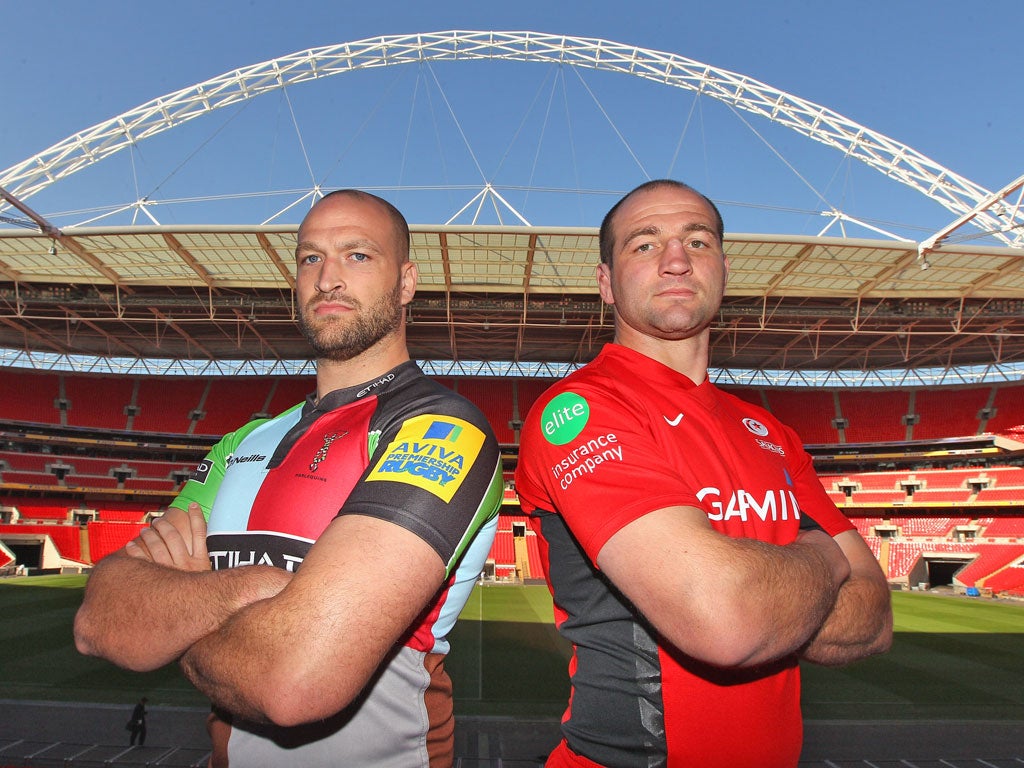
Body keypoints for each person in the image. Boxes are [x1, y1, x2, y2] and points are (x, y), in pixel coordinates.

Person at [75, 190, 504, 766]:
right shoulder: (241, 443)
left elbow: (294, 683)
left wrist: (176, 618)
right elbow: (100, 621)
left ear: (406, 283)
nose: (328, 277)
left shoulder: (443, 431)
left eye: (357, 255)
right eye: (310, 258)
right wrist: (257, 589)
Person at [514, 179, 893, 768]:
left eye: (698, 241)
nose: (675, 260)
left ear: (723, 268)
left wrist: (765, 601)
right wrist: (826, 557)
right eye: (645, 244)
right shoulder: (581, 411)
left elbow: (872, 620)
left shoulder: (771, 432)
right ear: (606, 284)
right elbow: (724, 622)